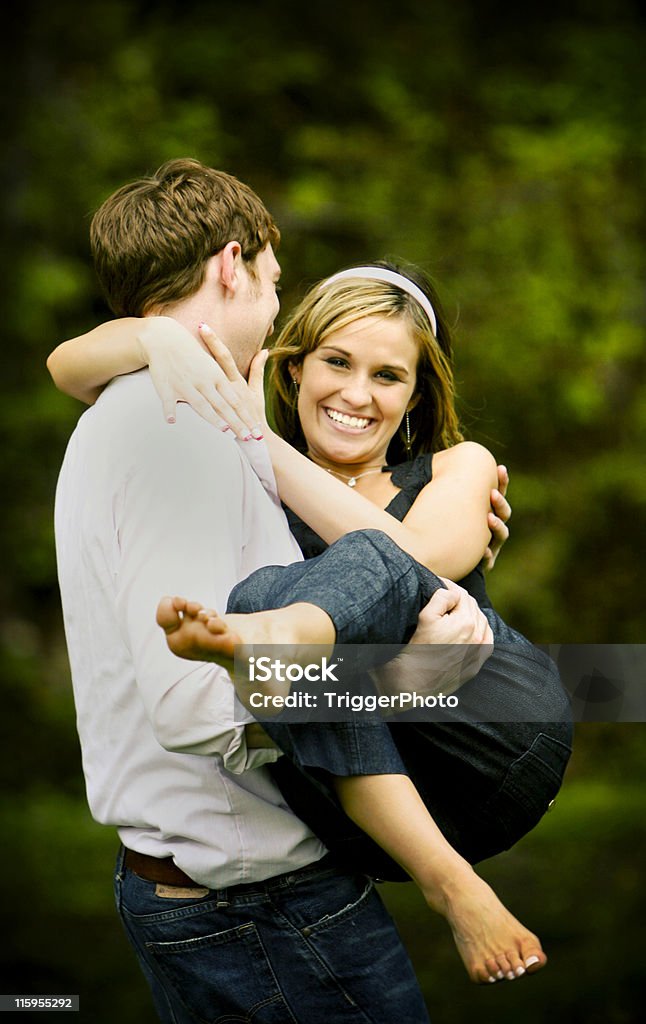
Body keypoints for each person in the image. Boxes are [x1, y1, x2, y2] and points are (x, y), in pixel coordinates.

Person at [50, 208, 570, 987]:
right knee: (266, 605)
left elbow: (411, 559)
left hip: (495, 732)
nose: (357, 393)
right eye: (336, 362)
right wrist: (153, 338)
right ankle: (447, 879)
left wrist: (257, 445)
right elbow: (68, 365)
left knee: (317, 597)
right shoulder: (251, 493)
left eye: (389, 375)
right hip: (383, 801)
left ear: (418, 397)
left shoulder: (458, 468)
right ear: (293, 368)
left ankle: (276, 636)